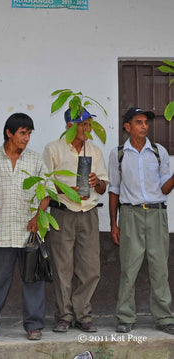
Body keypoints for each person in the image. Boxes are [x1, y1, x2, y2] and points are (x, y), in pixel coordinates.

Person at [0, 113, 49, 341]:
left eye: (29, 133)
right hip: (1, 231)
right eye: (22, 133)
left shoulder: (36, 160)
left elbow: (47, 192)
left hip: (30, 232)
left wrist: (38, 217)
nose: (26, 138)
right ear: (10, 133)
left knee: (33, 280)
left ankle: (34, 325)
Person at [108, 107, 174, 335]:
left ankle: (164, 317)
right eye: (139, 122)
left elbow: (165, 188)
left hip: (157, 214)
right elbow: (114, 190)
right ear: (127, 127)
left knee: (159, 267)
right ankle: (125, 316)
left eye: (146, 122)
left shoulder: (159, 152)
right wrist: (113, 224)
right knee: (129, 267)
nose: (144, 126)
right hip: (130, 215)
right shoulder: (119, 154)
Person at [43, 108, 108, 333]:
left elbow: (103, 187)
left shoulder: (95, 151)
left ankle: (83, 314)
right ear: (70, 125)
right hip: (63, 212)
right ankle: (64, 316)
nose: (87, 128)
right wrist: (67, 190)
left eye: (89, 124)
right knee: (63, 267)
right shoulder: (53, 149)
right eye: (83, 124)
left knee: (91, 268)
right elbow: (45, 186)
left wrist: (96, 180)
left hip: (89, 213)